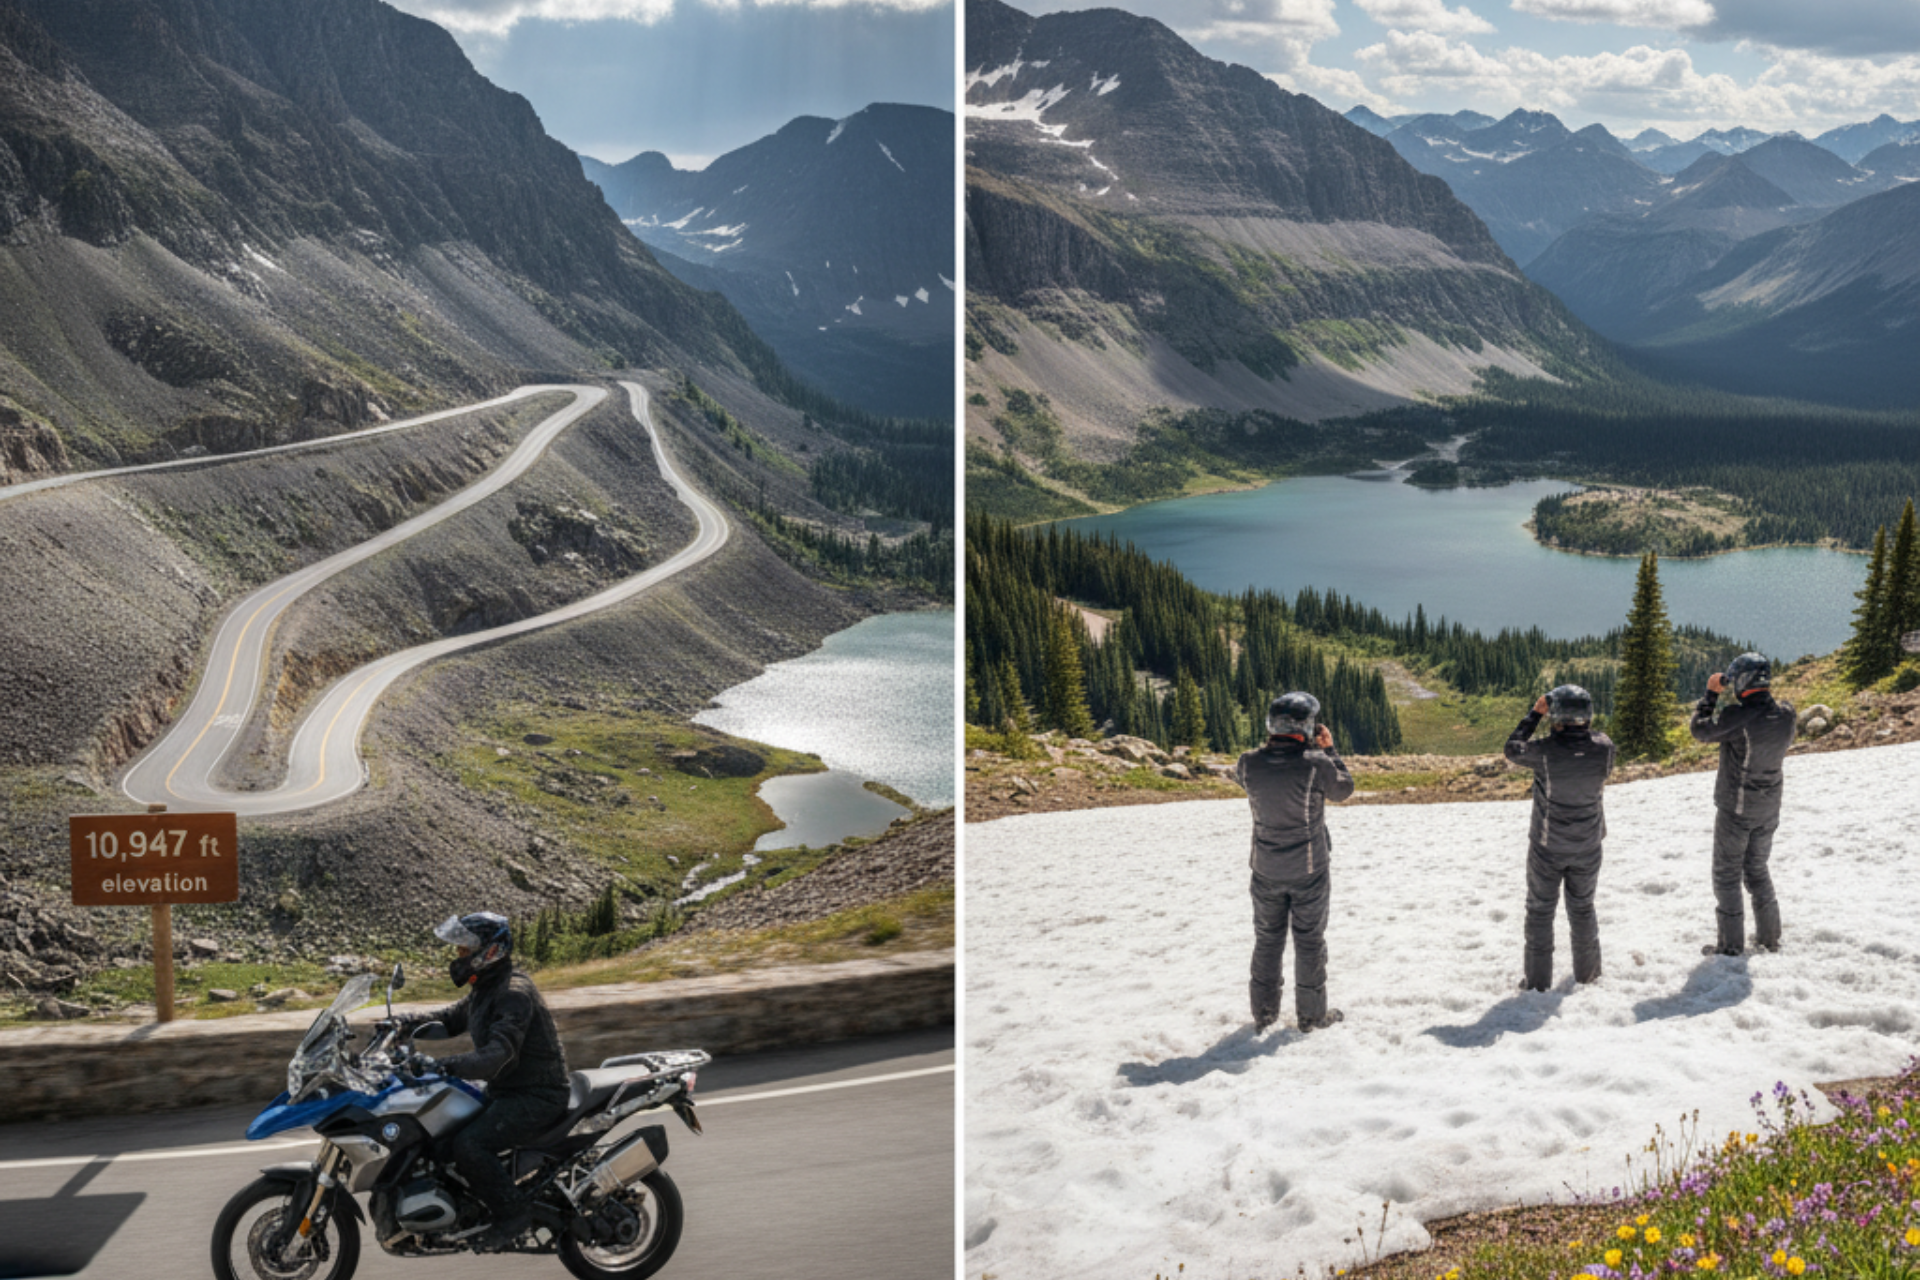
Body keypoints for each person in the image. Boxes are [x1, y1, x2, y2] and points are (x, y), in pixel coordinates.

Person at [401, 911, 571, 1250]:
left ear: (489, 951)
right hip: (507, 1090)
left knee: (470, 1146)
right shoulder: (488, 986)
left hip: (537, 1095)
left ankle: (513, 1215)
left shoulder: (513, 993)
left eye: (464, 950)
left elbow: (498, 1055)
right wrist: (404, 1024)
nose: (459, 956)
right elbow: (450, 1019)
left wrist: (441, 1066)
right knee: (441, 1137)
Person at [1232, 691, 1354, 1033]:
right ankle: (1312, 1017)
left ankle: (1264, 1014)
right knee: (1309, 940)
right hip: (1309, 869)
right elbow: (1344, 789)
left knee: (1267, 940)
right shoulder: (1316, 763)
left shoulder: (1247, 762)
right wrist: (1329, 750)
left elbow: (1246, 780)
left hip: (1265, 868)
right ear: (1307, 726)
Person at [1505, 684, 1615, 991]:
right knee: (1583, 909)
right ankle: (1589, 976)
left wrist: (1534, 714)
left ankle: (1538, 984)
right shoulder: (1605, 747)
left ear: (1556, 715)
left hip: (1547, 846)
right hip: (1589, 844)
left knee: (1540, 911)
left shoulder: (1543, 752)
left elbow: (1512, 747)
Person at [1690, 652, 1796, 956]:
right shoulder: (1787, 713)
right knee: (1757, 869)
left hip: (1737, 808)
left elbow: (1700, 729)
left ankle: (1730, 946)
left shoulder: (1738, 717)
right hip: (1769, 805)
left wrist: (1711, 694)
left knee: (1726, 875)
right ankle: (1769, 938)